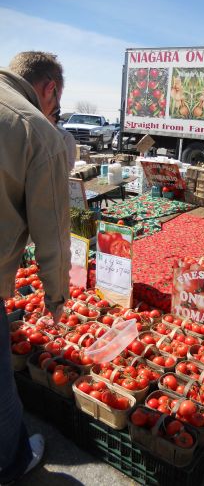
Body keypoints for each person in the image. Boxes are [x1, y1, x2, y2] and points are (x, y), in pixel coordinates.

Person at [0, 51, 71, 484]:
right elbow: (53, 232)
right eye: (56, 104)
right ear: (49, 89)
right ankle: (11, 462)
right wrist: (57, 297)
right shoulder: (33, 127)